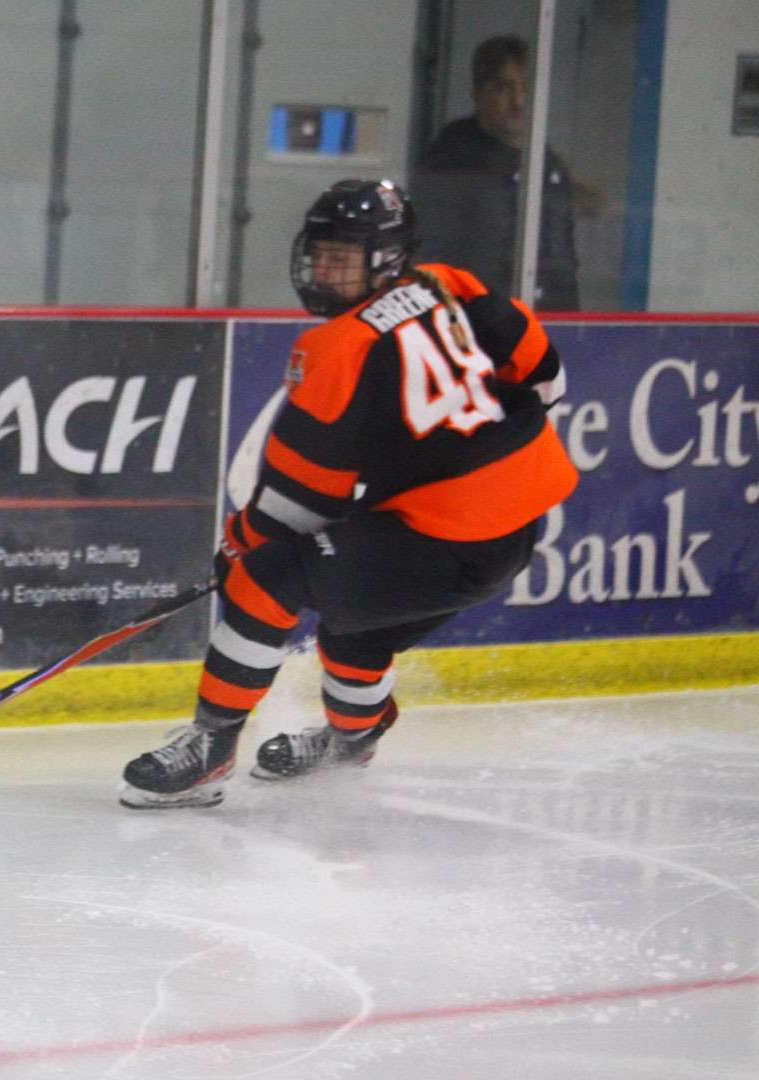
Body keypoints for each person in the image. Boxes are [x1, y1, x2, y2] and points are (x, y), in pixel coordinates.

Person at [120, 178, 577, 809]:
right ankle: (350, 741)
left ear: (387, 257)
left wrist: (239, 546)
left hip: (449, 533)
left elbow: (303, 497)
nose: (324, 268)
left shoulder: (336, 346)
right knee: (356, 630)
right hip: (515, 527)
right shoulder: (448, 282)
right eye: (320, 252)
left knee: (265, 579)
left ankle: (210, 747)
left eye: (344, 256)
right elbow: (546, 373)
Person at [412, 34, 592, 311]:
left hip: (549, 325)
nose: (518, 101)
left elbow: (564, 264)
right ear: (478, 95)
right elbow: (429, 260)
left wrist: (573, 324)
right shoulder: (451, 161)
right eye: (503, 87)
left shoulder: (550, 165)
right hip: (474, 325)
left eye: (525, 87)